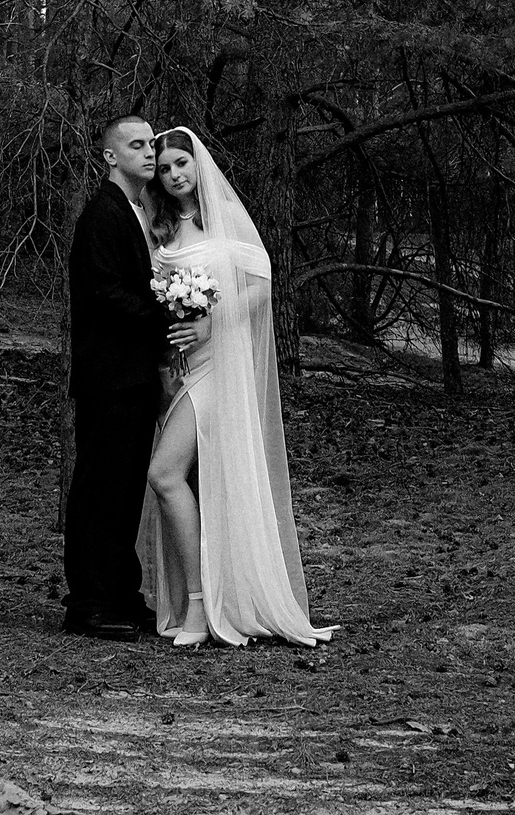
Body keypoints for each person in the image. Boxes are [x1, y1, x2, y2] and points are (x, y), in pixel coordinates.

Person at [140, 125, 334, 648]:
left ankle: (200, 605)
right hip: (178, 369)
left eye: (181, 163)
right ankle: (203, 599)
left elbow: (261, 285)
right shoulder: (159, 228)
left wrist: (211, 322)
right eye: (164, 168)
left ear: (198, 164)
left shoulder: (225, 221)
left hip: (219, 367)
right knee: (192, 482)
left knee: (164, 473)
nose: (174, 175)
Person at [62, 112, 200, 638]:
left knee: (124, 492)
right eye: (137, 145)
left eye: (151, 145)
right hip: (109, 376)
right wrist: (166, 316)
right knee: (101, 489)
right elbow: (104, 292)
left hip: (133, 375)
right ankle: (89, 604)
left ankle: (121, 593)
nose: (148, 153)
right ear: (110, 156)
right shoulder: (102, 212)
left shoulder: (136, 211)